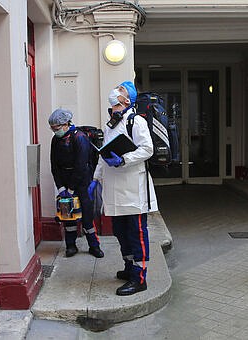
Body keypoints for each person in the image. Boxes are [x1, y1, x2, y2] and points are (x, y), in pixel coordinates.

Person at [88, 81, 158, 296]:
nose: (116, 90)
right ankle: (129, 267)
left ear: (128, 100)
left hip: (133, 189)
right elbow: (104, 153)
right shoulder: (111, 123)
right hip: (114, 188)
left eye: (121, 90)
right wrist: (96, 178)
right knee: (120, 231)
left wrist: (124, 159)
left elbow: (147, 149)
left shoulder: (136, 121)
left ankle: (140, 277)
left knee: (136, 232)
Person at [49, 108, 104, 258]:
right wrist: (61, 187)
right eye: (52, 128)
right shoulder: (56, 140)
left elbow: (81, 165)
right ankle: (71, 245)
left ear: (66, 124)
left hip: (82, 180)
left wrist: (72, 188)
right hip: (65, 180)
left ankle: (94, 246)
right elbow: (54, 165)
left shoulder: (79, 138)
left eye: (57, 128)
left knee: (87, 216)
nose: (55, 131)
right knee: (68, 216)